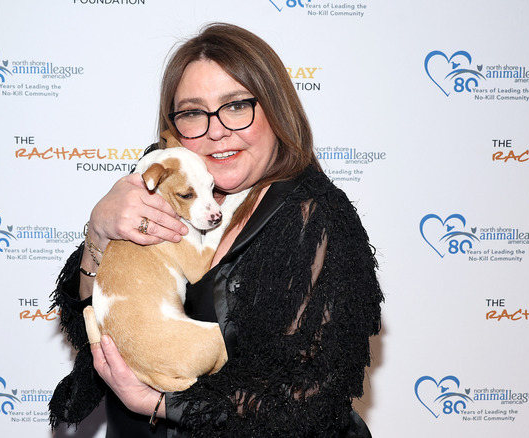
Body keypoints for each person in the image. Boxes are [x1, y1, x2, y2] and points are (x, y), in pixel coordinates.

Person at [49, 22, 384, 438]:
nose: (216, 129)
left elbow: (311, 397)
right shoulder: (167, 185)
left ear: (276, 108)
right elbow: (94, 323)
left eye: (237, 105)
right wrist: (98, 234)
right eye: (193, 112)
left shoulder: (316, 217)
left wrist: (160, 403)